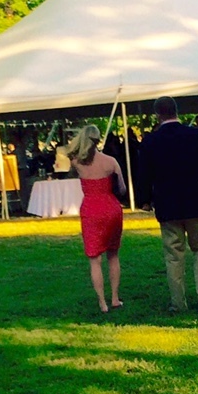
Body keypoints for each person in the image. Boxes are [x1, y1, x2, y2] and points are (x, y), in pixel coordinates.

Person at [137, 96, 198, 313]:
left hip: (167, 204)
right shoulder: (194, 135)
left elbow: (144, 174)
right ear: (177, 111)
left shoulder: (150, 141)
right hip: (194, 200)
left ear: (157, 115)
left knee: (173, 255)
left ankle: (178, 302)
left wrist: (145, 199)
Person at [66, 125, 126, 313]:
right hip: (111, 208)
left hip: (91, 209)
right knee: (113, 255)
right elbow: (122, 188)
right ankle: (115, 298)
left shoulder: (76, 162)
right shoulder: (111, 161)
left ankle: (102, 302)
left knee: (94, 259)